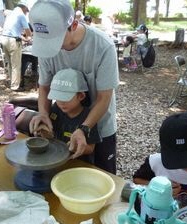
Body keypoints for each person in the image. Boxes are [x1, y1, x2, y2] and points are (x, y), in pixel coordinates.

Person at [28, 0, 119, 173]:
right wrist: (43, 114)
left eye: (56, 39)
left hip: (100, 126)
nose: (51, 47)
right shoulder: (46, 48)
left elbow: (104, 97)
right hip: (64, 122)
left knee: (103, 177)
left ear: (74, 24)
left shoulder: (102, 47)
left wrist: (84, 129)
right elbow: (44, 88)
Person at [133, 112, 187, 207]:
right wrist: (157, 189)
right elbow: (137, 180)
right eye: (178, 159)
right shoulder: (155, 163)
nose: (186, 165)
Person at [34, 68, 101, 162]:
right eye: (57, 97)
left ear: (81, 96)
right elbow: (51, 134)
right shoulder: (55, 109)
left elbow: (91, 148)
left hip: (78, 163)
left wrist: (75, 147)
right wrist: (45, 132)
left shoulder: (88, 117)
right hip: (56, 159)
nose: (61, 103)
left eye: (65, 98)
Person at [0, 2, 31, 91]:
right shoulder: (21, 15)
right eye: (27, 11)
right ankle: (15, 86)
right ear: (24, 8)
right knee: (16, 65)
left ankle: (12, 82)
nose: (26, 13)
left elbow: (13, 31)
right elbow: (28, 32)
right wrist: (29, 38)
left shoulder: (10, 14)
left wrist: (23, 38)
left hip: (4, 39)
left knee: (10, 63)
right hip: (13, 41)